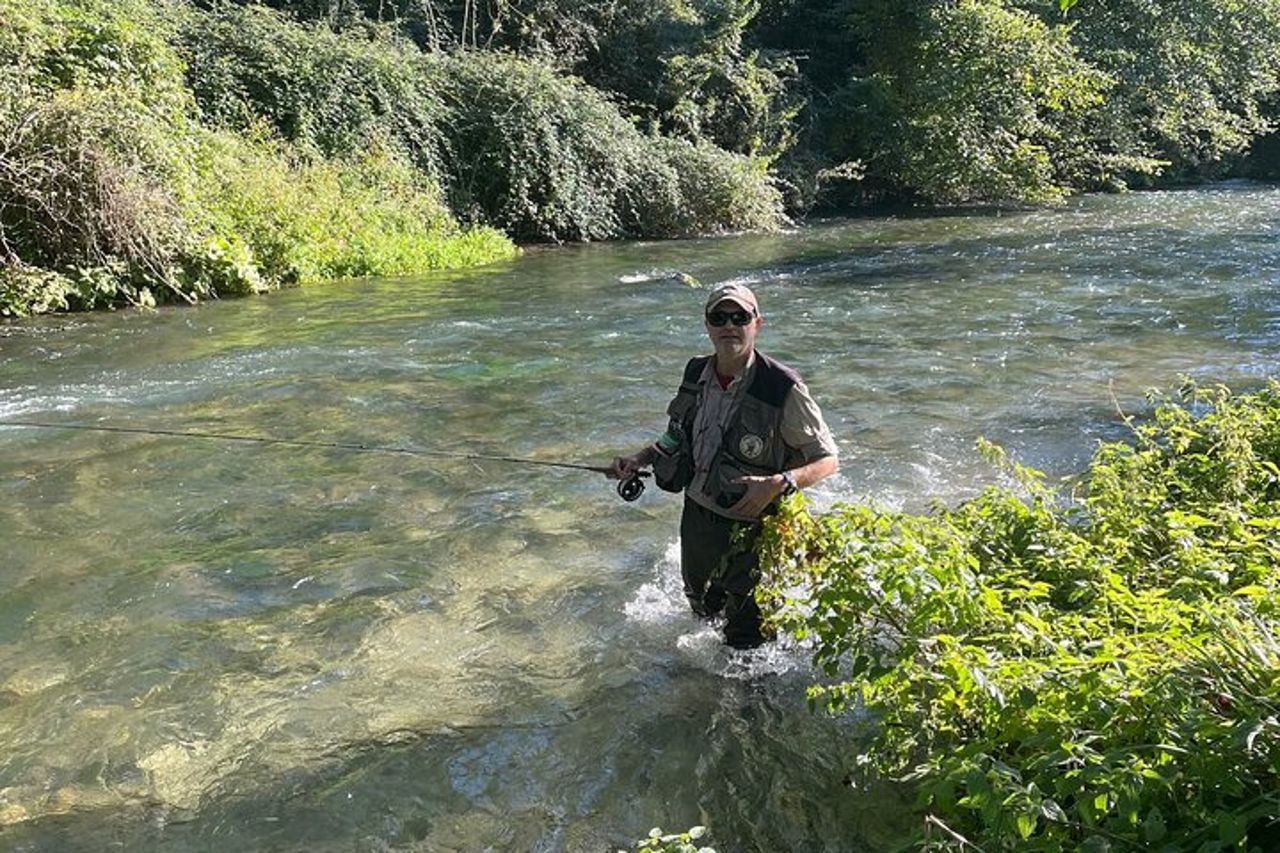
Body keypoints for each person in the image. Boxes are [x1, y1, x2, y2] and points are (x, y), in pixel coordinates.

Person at [609, 283, 839, 648]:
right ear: (707, 325)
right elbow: (675, 437)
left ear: (757, 323)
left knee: (749, 641)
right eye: (719, 317)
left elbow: (827, 460)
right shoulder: (695, 372)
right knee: (702, 614)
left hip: (754, 530)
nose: (729, 325)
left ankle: (752, 704)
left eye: (739, 317)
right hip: (697, 520)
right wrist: (640, 459)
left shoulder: (782, 387)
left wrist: (780, 483)